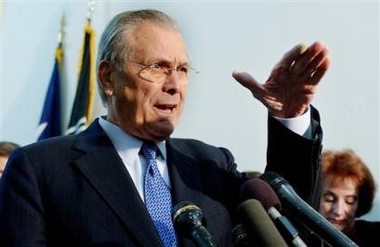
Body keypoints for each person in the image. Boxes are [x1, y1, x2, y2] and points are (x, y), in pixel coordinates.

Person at [0, 9, 330, 247]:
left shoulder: (211, 163)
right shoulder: (39, 169)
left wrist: (290, 116)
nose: (175, 85)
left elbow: (290, 224)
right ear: (107, 77)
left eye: (183, 69)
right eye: (158, 67)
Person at [318, 149, 380, 247]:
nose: (338, 211)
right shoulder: (295, 235)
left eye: (349, 201)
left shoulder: (376, 237)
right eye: (330, 199)